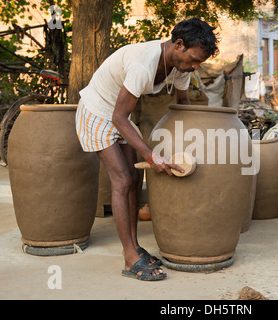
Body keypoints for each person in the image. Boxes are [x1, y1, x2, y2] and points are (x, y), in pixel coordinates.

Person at [75, 17, 219, 281]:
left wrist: (192, 143)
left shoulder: (181, 67)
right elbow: (118, 117)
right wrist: (152, 155)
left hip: (119, 115)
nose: (196, 66)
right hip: (97, 112)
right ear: (178, 44)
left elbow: (183, 104)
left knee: (135, 178)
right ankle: (130, 257)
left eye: (200, 62)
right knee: (122, 179)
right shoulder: (144, 64)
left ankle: (135, 246)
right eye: (194, 60)